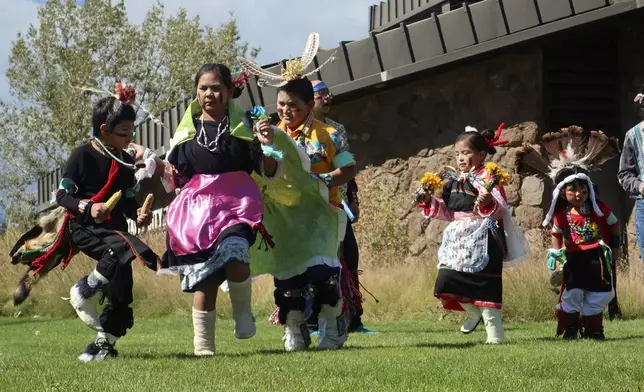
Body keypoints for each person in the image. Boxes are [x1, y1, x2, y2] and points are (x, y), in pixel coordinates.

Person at [136, 63, 279, 356]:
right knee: (205, 277)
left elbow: (267, 170)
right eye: (203, 88)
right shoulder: (186, 132)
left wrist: (266, 146)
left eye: (216, 88)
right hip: (196, 214)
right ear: (196, 92)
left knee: (237, 249)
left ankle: (242, 314)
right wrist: (152, 160)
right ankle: (203, 346)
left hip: (238, 206)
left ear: (228, 92)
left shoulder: (246, 127)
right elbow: (175, 178)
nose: (210, 94)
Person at [239, 32, 358, 351]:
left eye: (293, 105)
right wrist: (264, 147)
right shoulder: (274, 135)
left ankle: (332, 326)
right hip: (287, 217)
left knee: (322, 273)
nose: (286, 110)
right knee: (289, 276)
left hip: (323, 214)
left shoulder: (328, 134)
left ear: (309, 105)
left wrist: (329, 179)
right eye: (281, 105)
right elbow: (268, 172)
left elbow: (348, 168)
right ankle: (294, 327)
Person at [56, 88, 159, 362]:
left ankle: (102, 347)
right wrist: (89, 206)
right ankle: (83, 291)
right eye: (124, 133)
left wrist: (138, 213)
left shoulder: (125, 160)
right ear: (104, 129)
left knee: (122, 289)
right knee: (121, 250)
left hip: (116, 233)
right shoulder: (82, 156)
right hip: (85, 227)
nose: (129, 139)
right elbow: (62, 195)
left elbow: (126, 199)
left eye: (131, 133)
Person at [417, 125, 528, 344]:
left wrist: (488, 202)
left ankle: (495, 336)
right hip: (457, 238)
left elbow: (499, 211)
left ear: (481, 154)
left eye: (466, 153)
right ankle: (472, 313)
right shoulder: (452, 181)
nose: (460, 158)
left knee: (484, 286)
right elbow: (449, 212)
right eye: (457, 153)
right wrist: (429, 201)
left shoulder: (489, 177)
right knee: (446, 279)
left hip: (484, 237)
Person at [520, 126, 620, 339]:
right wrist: (557, 258)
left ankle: (594, 329)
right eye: (573, 190)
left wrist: (616, 247)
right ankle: (570, 328)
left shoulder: (599, 209)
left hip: (597, 259)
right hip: (573, 258)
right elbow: (556, 234)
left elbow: (614, 224)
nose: (578, 194)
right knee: (573, 292)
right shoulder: (561, 215)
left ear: (590, 190)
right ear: (562, 193)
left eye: (583, 190)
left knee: (599, 292)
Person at [310, 79, 376, 334]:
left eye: (328, 94)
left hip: (339, 204)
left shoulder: (337, 129)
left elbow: (348, 167)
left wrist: (354, 199)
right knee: (317, 261)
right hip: (312, 207)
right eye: (321, 95)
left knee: (348, 257)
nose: (327, 99)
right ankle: (313, 319)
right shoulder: (296, 130)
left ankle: (353, 319)